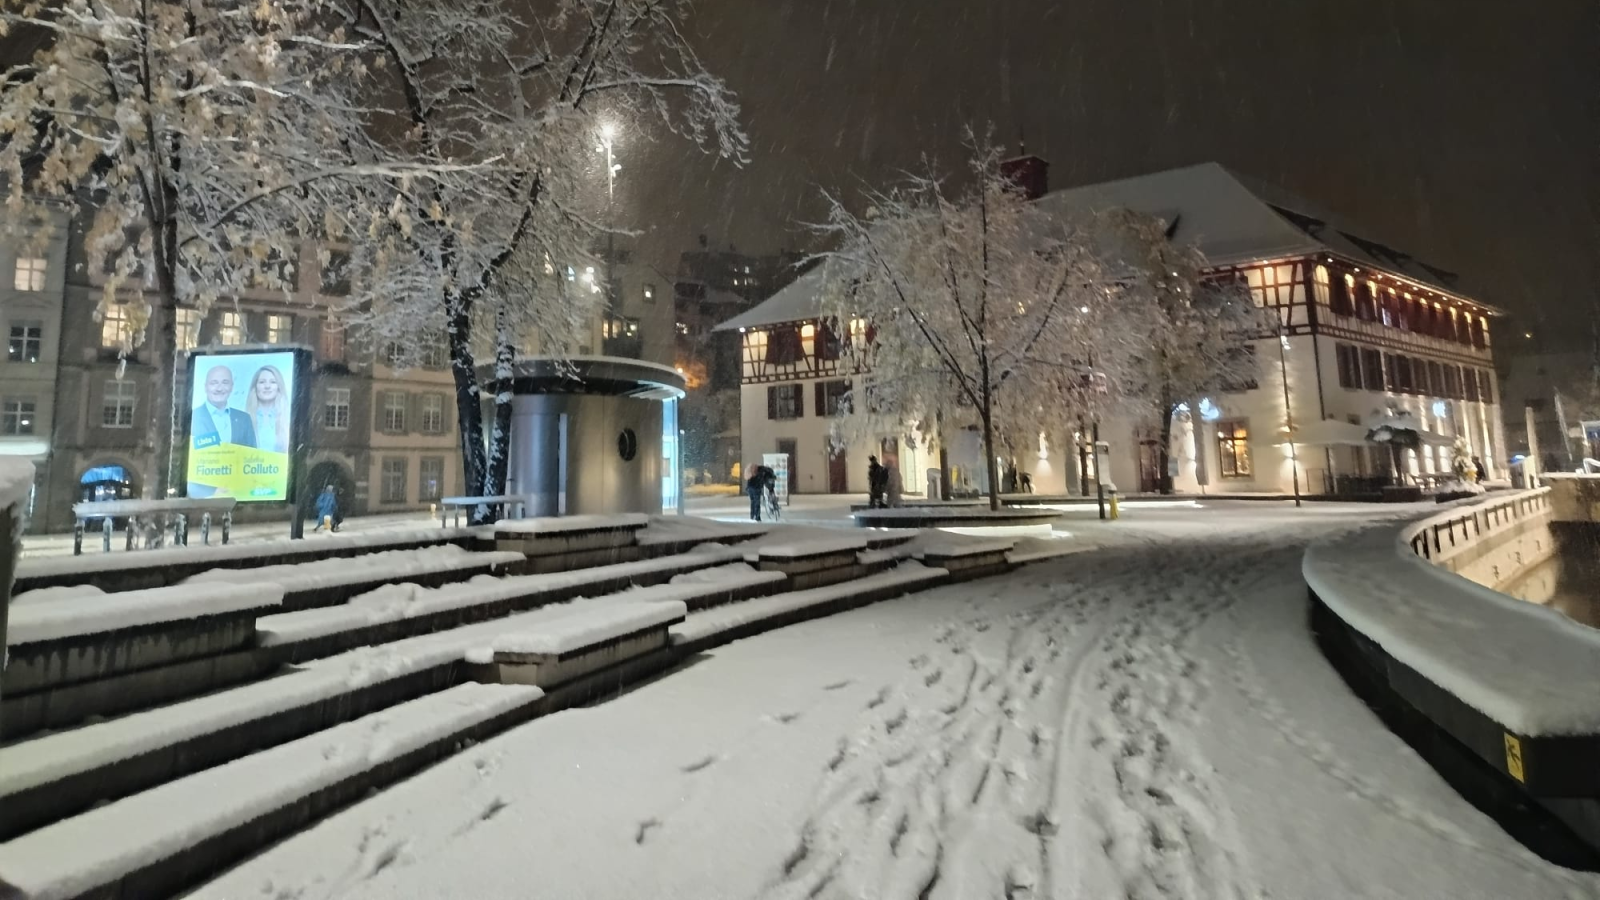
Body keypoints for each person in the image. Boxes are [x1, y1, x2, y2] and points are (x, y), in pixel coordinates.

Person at [192, 365, 257, 449]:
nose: (219, 388)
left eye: (225, 382)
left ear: (231, 387)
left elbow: (253, 455)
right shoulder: (193, 416)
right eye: (214, 383)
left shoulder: (244, 419)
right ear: (205, 387)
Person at [247, 365, 290, 453]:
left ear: (279, 386)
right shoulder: (244, 420)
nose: (267, 386)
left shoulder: (287, 419)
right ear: (255, 386)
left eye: (273, 382)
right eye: (262, 382)